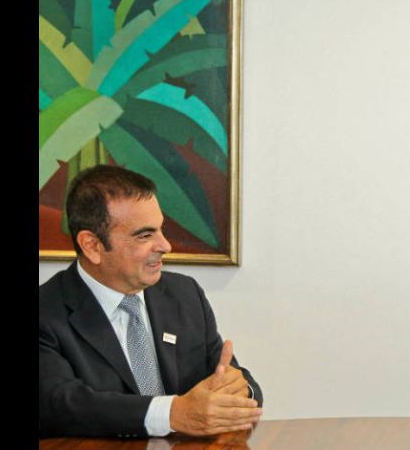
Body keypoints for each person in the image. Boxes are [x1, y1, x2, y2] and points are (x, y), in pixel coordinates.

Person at [39, 165, 263, 438]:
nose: (165, 245)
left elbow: (227, 375)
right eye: (145, 235)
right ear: (92, 246)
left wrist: (239, 390)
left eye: (161, 229)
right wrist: (172, 413)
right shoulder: (46, 311)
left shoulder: (184, 294)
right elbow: (59, 405)